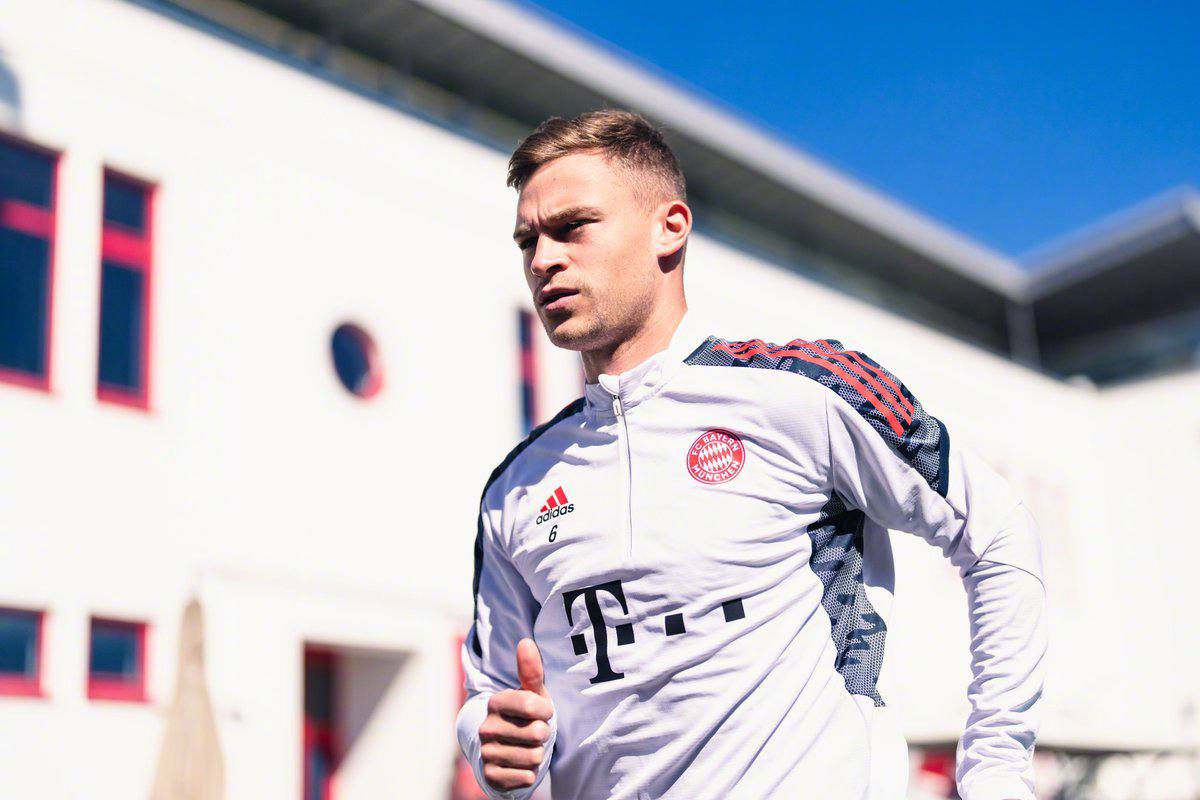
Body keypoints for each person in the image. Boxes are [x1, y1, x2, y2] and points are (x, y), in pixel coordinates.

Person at [455, 109, 1046, 800]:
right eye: (528, 239)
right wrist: (492, 747)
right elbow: (491, 695)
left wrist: (996, 771)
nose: (543, 259)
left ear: (670, 227)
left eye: (572, 227)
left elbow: (996, 528)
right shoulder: (516, 487)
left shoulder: (804, 392)